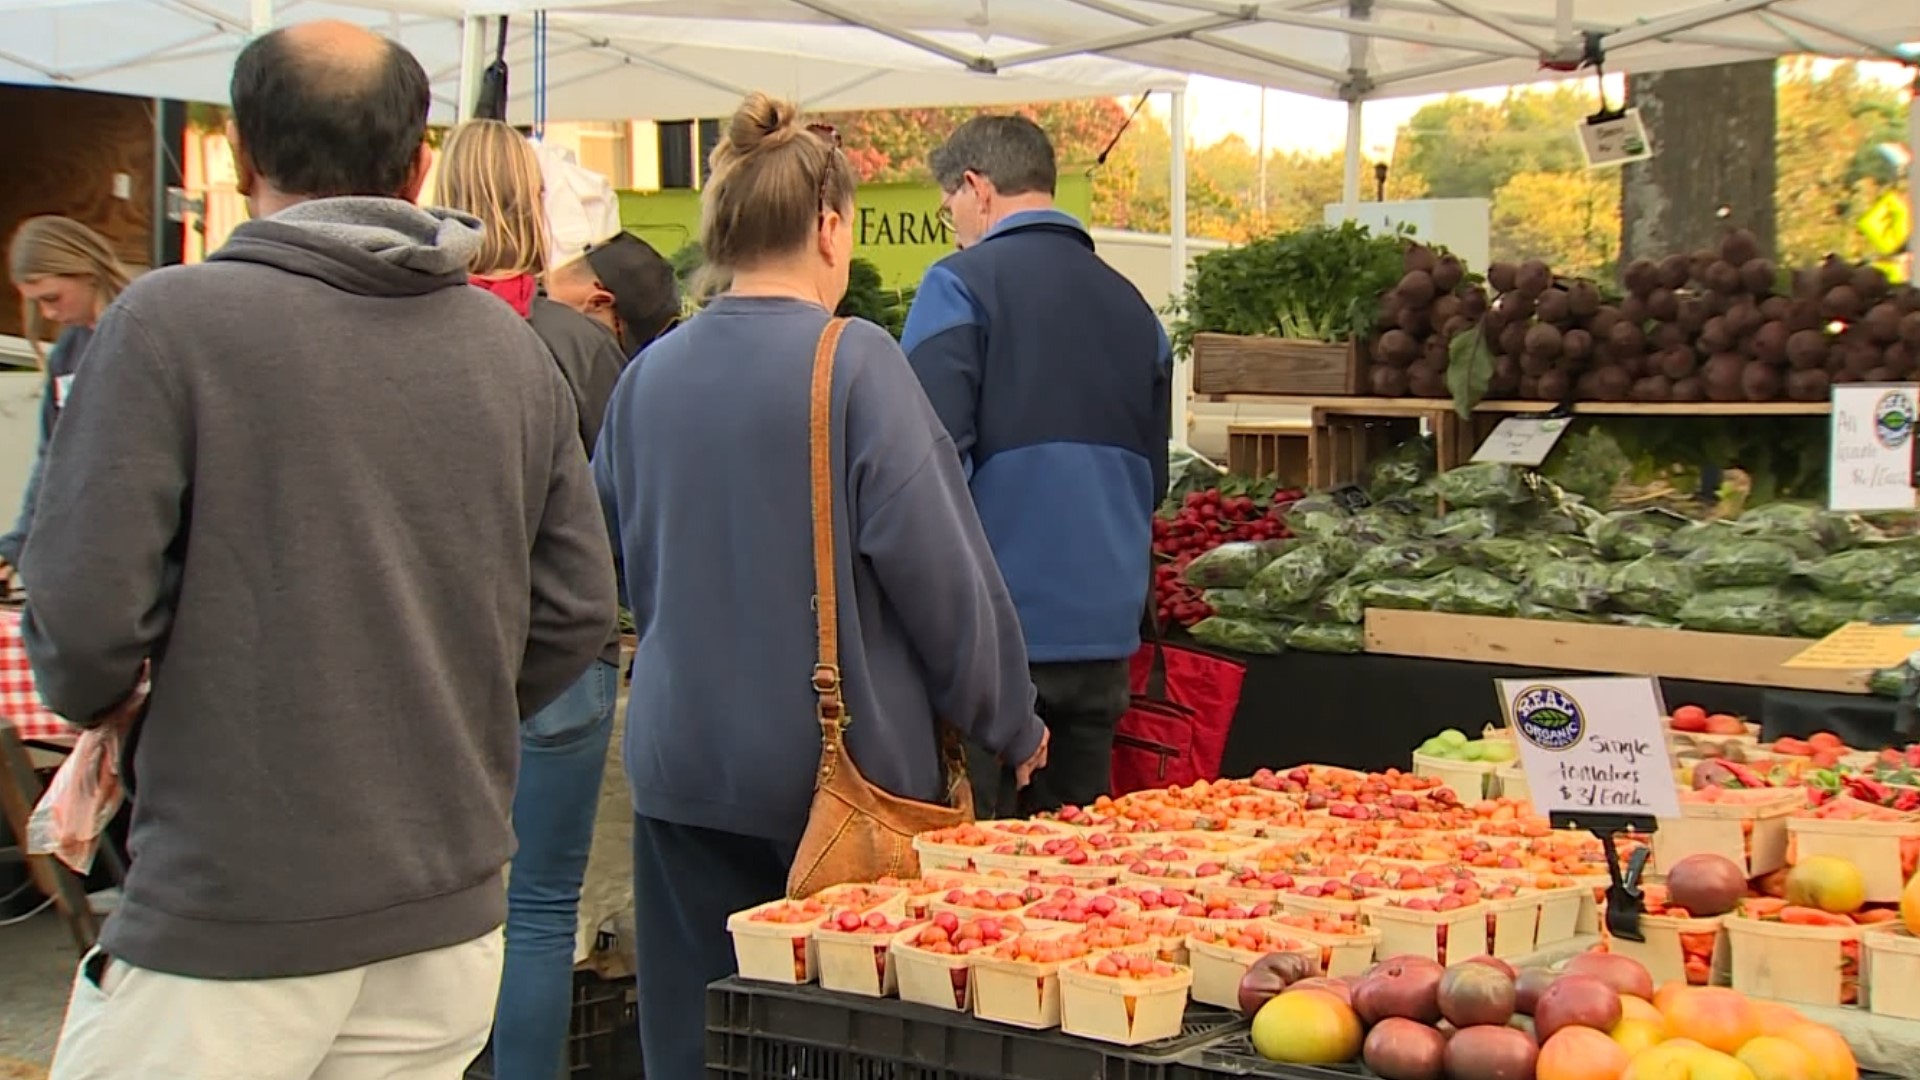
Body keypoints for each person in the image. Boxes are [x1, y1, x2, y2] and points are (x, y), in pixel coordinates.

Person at [23, 21, 616, 1079]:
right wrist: (433, 700)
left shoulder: (168, 325)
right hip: (443, 911)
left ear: (243, 156)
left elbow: (79, 629)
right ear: (416, 161)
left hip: (233, 910)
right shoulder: (506, 351)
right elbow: (575, 608)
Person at [593, 91, 1049, 1080]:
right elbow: (945, 580)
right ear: (831, 226)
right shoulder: (855, 364)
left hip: (678, 756)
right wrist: (1009, 716)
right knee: (836, 1045)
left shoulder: (648, 375)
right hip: (830, 775)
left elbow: (611, 561)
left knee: (693, 1039)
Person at [901, 115, 1172, 816]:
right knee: (1077, 876)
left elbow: (922, 473)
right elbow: (1157, 481)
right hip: (1103, 644)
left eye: (949, 208)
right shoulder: (1134, 308)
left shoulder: (956, 286)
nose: (953, 224)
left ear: (976, 189)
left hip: (992, 645)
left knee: (977, 882)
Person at [432, 117, 630, 1080]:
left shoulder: (407, 328)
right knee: (543, 907)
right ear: (541, 204)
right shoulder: (580, 344)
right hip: (563, 657)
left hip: (432, 656)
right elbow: (611, 511)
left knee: (438, 907)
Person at [0, 216, 130, 592]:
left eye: (52, 298)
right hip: (88, 538)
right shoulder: (67, 353)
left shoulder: (146, 329)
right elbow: (52, 454)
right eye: (37, 303)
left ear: (86, 271)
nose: (48, 314)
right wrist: (20, 541)